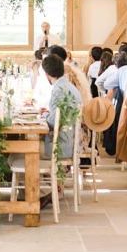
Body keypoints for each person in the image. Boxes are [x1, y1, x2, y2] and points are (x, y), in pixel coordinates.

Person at [39, 53, 82, 207]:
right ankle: (52, 189)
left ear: (47, 74)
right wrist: (49, 113)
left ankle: (38, 194)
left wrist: (43, 118)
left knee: (23, 151)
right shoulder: (70, 86)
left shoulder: (58, 89)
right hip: (71, 142)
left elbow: (52, 123)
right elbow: (59, 116)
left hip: (60, 146)